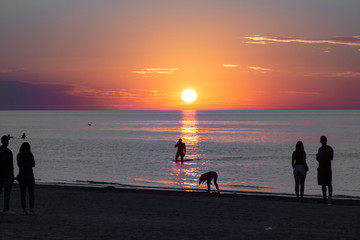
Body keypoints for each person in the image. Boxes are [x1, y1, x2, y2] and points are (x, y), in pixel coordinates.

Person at [17, 142, 36, 215]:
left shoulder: (19, 155)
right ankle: (31, 209)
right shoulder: (30, 155)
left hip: (22, 175)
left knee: (23, 193)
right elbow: (34, 165)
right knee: (31, 193)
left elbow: (18, 165)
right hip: (30, 175)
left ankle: (24, 209)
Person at [316, 136, 334, 204]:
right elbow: (331, 158)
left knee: (323, 184)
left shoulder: (320, 149)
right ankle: (330, 198)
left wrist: (317, 156)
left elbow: (318, 159)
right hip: (328, 168)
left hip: (322, 168)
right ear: (326, 140)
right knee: (329, 184)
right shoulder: (330, 148)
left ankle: (324, 198)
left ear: (320, 141)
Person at [0, 135, 14, 214]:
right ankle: (6, 208)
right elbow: (11, 165)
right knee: (7, 193)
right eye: (7, 141)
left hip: (1, 174)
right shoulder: (9, 152)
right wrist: (12, 174)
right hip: (7, 174)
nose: (8, 142)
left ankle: (6, 208)